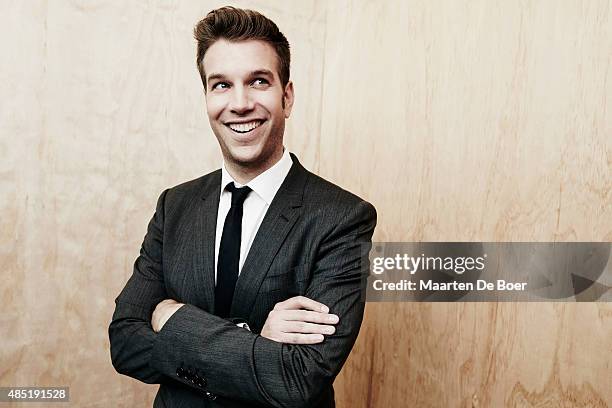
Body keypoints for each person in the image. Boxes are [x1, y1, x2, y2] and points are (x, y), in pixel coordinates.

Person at [108, 6, 377, 408]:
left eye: (258, 81)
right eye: (221, 85)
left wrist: (171, 318)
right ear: (206, 98)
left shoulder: (343, 218)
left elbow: (299, 378)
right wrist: (253, 336)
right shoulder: (174, 206)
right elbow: (125, 341)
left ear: (286, 97)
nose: (240, 103)